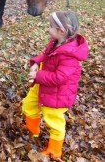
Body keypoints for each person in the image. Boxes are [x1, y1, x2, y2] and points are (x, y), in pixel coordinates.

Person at [22, 10, 88, 159]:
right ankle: (32, 128)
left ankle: (54, 149)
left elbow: (59, 78)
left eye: (50, 26)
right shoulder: (56, 42)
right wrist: (37, 62)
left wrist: (38, 75)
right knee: (29, 104)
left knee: (53, 120)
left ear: (61, 31)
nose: (48, 29)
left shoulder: (70, 56)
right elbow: (46, 55)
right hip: (43, 84)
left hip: (57, 93)